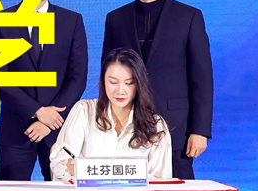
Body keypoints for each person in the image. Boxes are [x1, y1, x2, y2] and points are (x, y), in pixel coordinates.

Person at [101, 0, 213, 179]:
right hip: (125, 127)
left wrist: (200, 130)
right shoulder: (116, 18)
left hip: (176, 128)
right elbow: (108, 76)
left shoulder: (188, 17)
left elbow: (201, 78)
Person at [0, 0, 88, 181]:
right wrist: (37, 112)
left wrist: (50, 121)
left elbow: (77, 77)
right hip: (16, 128)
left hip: (59, 130)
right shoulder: (1, 22)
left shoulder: (70, 21)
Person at [50, 48, 173, 183]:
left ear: (139, 84)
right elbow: (59, 162)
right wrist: (70, 169)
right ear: (103, 81)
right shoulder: (84, 111)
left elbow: (161, 181)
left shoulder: (154, 124)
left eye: (129, 83)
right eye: (113, 82)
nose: (120, 91)